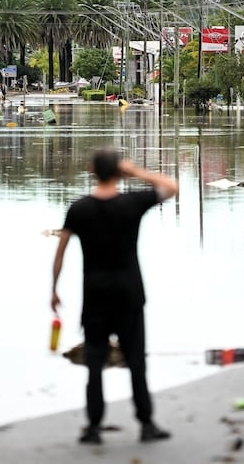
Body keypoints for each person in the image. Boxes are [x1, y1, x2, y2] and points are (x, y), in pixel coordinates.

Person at [51, 149, 178, 445]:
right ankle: (146, 424)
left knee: (94, 361)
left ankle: (93, 427)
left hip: (95, 294)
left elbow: (60, 253)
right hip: (130, 293)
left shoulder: (79, 208)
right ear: (118, 172)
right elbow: (171, 188)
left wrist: (54, 289)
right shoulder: (132, 203)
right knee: (136, 360)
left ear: (92, 170)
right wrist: (135, 172)